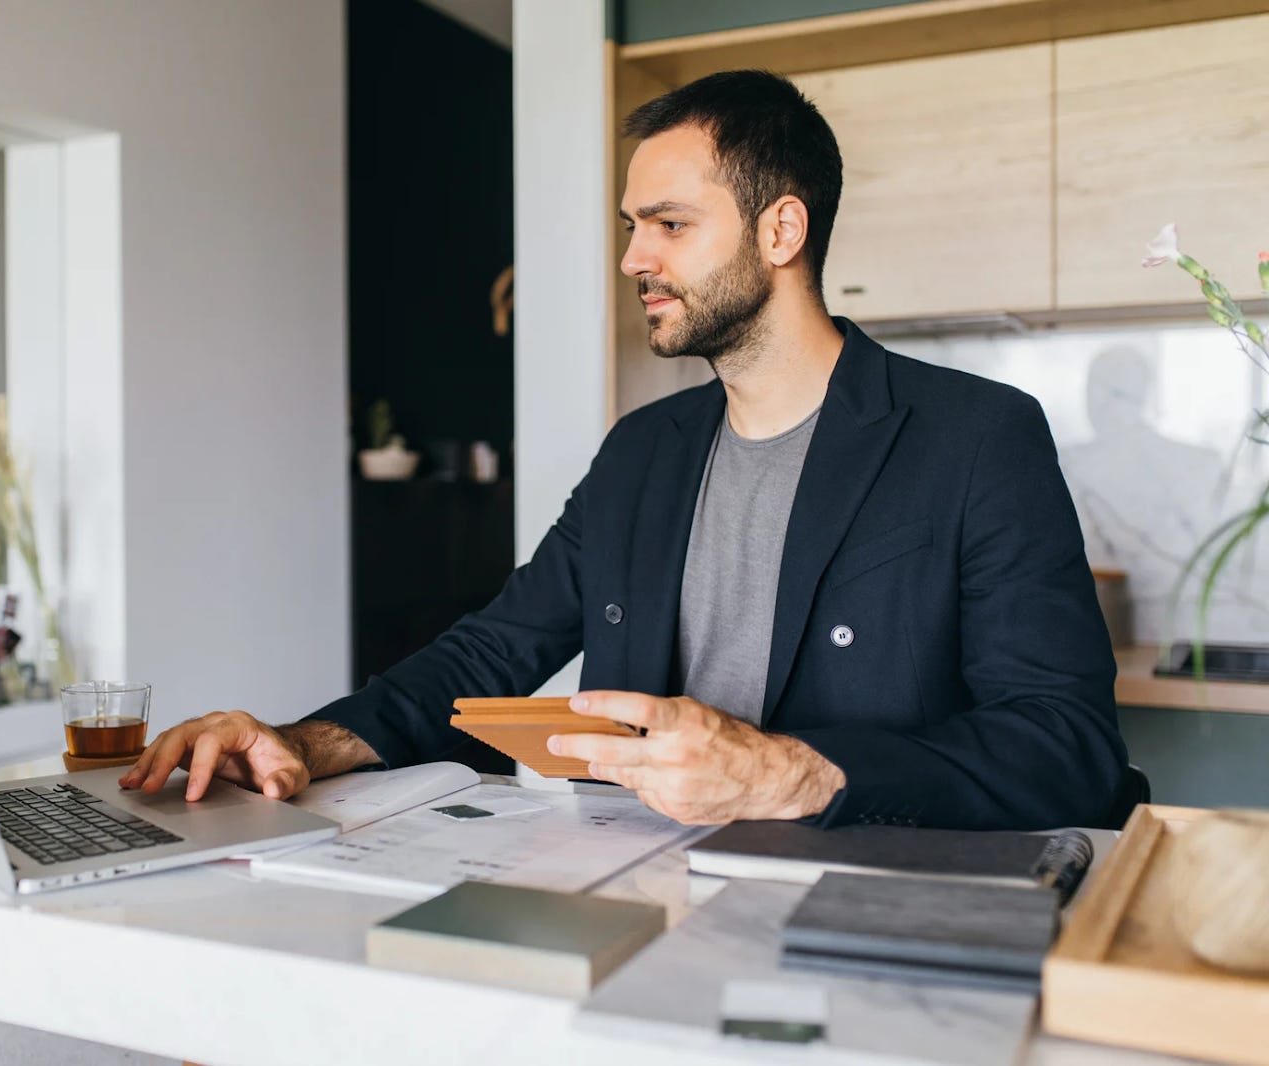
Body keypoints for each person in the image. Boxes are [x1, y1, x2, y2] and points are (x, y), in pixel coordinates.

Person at [122, 70, 1127, 831]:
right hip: (642, 888)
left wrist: (788, 770)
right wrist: (301, 740)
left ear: (781, 229)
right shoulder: (643, 450)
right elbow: (493, 649)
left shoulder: (974, 436)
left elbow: (1065, 747)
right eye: (631, 226)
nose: (631, 258)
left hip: (869, 907)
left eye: (670, 224)